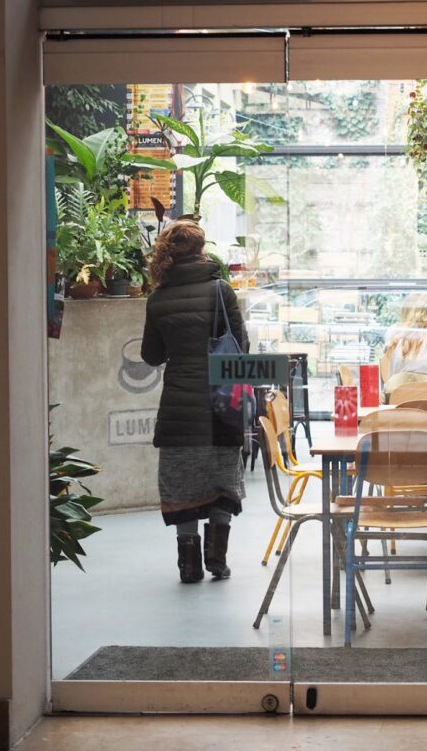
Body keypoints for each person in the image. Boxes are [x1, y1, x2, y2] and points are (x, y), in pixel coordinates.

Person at [141, 219, 248, 584]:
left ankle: (188, 567)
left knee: (181, 484)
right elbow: (241, 348)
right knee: (221, 479)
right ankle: (217, 561)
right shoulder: (221, 291)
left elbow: (151, 356)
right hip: (221, 403)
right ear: (203, 251)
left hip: (178, 407)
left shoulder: (157, 299)